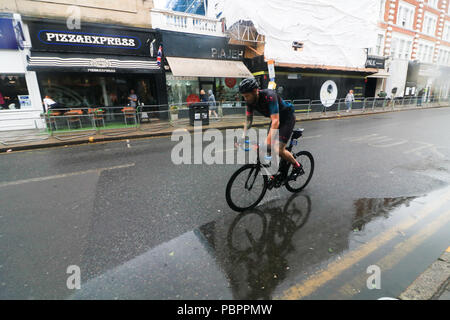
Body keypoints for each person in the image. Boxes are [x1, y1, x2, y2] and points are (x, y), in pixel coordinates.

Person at [239, 78, 303, 178]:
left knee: (278, 149)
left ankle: (297, 166)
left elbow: (276, 122)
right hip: (275, 119)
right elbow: (248, 121)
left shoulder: (269, 96)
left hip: (287, 118)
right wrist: (243, 137)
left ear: (255, 91)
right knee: (268, 149)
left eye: (247, 96)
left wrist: (267, 143)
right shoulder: (250, 102)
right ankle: (275, 169)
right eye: (243, 96)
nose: (245, 99)